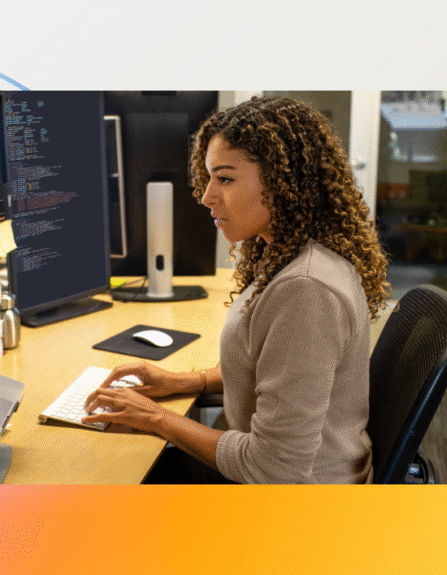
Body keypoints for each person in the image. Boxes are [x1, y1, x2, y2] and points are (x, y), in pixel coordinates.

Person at [83, 96, 390, 484]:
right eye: (210, 177)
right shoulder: (285, 253)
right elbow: (279, 371)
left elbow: (275, 468)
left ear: (284, 180)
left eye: (225, 179)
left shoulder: (306, 289)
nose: (207, 195)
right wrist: (185, 382)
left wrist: (154, 417)